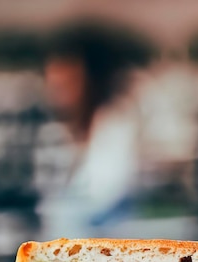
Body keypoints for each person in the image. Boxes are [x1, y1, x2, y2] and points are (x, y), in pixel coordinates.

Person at [34, 21, 154, 238]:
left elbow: (108, 193)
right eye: (54, 84)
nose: (58, 93)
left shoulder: (116, 124)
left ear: (91, 80)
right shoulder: (52, 132)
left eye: (67, 83)